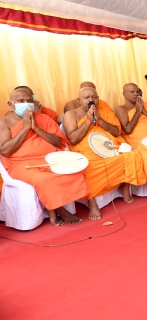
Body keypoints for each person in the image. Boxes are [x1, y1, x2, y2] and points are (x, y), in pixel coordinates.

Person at [0, 88, 89, 226]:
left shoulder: (43, 119)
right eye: (21, 101)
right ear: (11, 104)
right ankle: (58, 211)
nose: (26, 104)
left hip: (49, 159)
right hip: (20, 163)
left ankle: (55, 210)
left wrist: (36, 128)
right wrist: (25, 128)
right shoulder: (4, 122)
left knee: (75, 173)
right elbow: (5, 150)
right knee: (44, 180)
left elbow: (58, 142)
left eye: (29, 101)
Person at [64, 87, 147, 219]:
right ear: (78, 100)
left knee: (132, 155)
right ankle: (92, 202)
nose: (91, 100)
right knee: (88, 167)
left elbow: (116, 132)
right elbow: (73, 139)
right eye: (86, 97)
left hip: (108, 146)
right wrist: (88, 121)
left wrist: (100, 120)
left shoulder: (103, 111)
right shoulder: (71, 114)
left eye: (94, 97)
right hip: (86, 150)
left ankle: (124, 186)